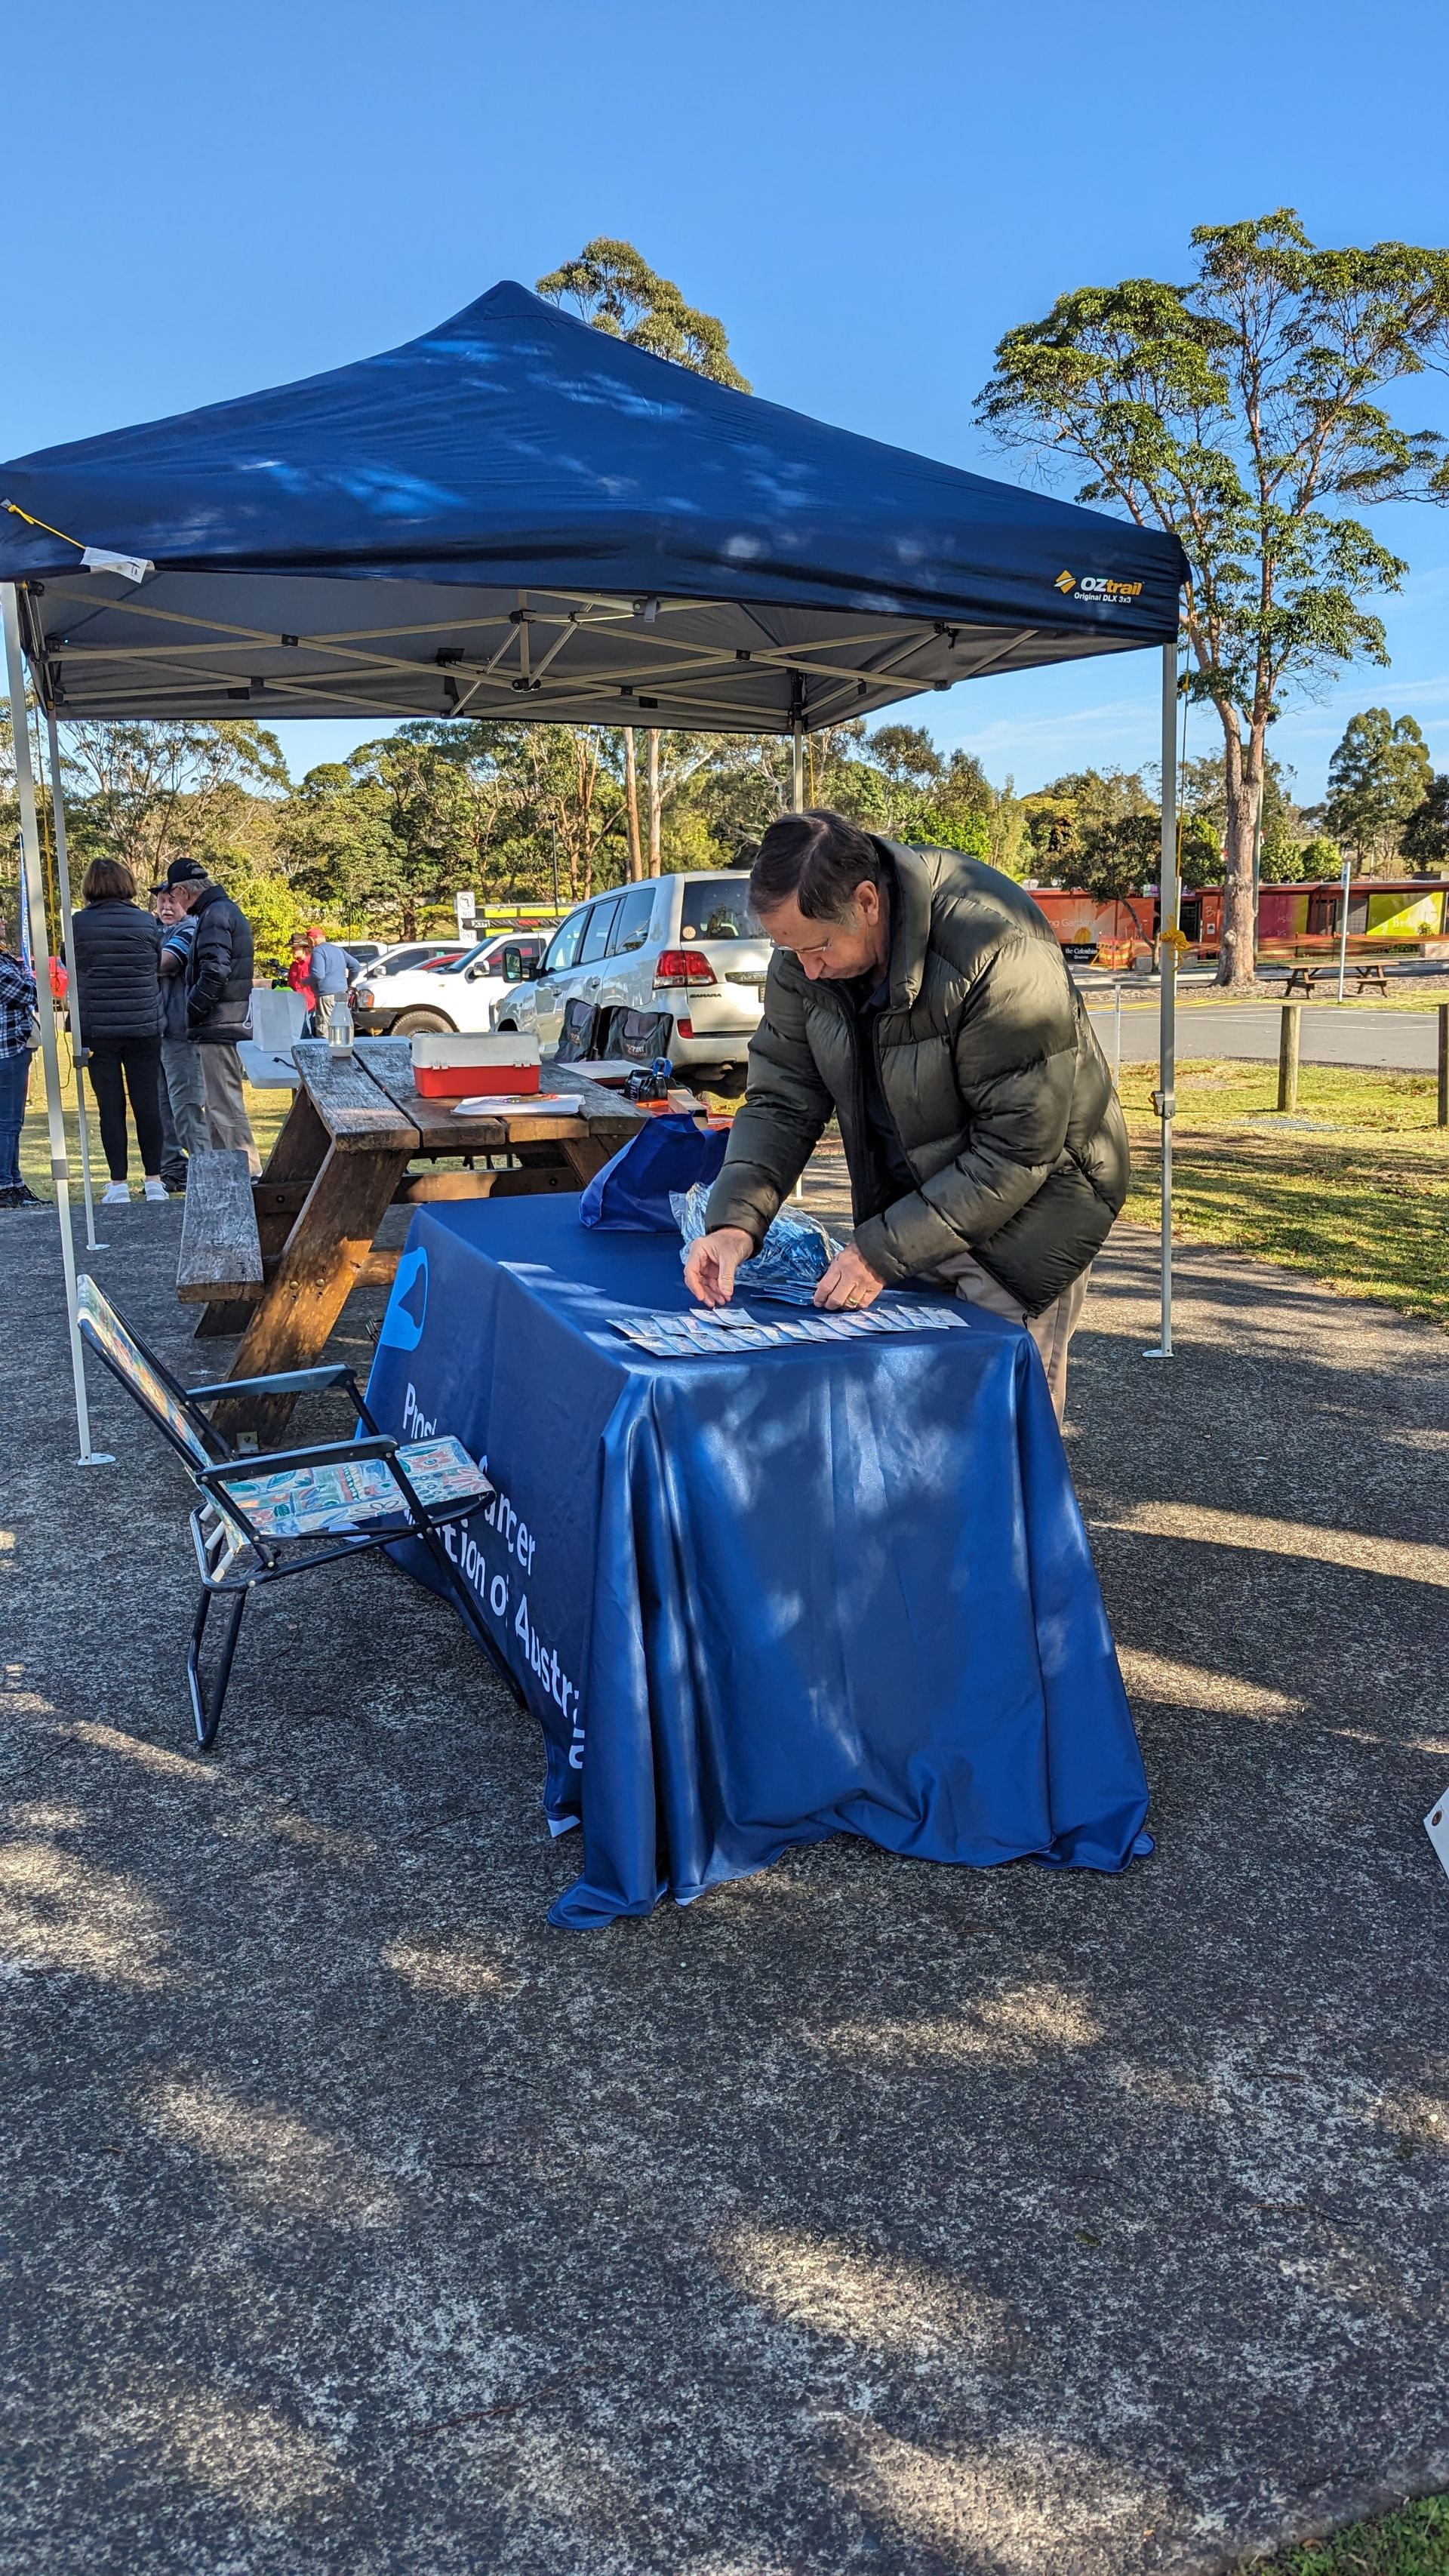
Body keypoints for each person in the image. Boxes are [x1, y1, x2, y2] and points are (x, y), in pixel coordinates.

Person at [685, 810, 1129, 1423]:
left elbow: (1018, 1149)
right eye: (787, 950)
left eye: (816, 947)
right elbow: (782, 1097)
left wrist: (879, 1252)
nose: (804, 968)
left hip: (1029, 1214)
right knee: (916, 1419)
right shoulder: (804, 958)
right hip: (914, 1203)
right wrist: (736, 1222)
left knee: (996, 1427)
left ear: (867, 901)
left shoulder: (998, 947)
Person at [69, 857, 168, 1206]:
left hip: (99, 1028)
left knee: (110, 1106)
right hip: (144, 1025)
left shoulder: (77, 925)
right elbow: (156, 964)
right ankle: (155, 1179)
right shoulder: (146, 922)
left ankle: (118, 1183)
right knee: (147, 1103)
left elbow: (70, 964)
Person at [183, 864, 260, 1174]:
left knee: (226, 1106)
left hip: (219, 1023)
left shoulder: (215, 914)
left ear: (182, 891)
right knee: (216, 1108)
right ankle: (223, 1177)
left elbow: (215, 970)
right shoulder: (220, 910)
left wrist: (193, 1008)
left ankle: (251, 1175)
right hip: (221, 1022)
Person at [152, 863, 208, 1180]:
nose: (165, 907)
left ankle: (205, 1169)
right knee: (162, 1105)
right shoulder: (156, 931)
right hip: (157, 1031)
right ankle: (173, 1168)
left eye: (171, 900)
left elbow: (166, 962)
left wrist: (132, 954)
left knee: (186, 1105)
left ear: (184, 900)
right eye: (160, 901)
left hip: (181, 1031)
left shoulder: (190, 929)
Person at [0, 922, 41, 1208]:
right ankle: (4, 1184)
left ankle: (14, 1182)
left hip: (15, 1047)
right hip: (7, 1050)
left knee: (13, 1122)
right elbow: (29, 991)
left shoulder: (4, 959)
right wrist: (30, 978)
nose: (3, 923)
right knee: (8, 1122)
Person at [306, 926, 353, 1038]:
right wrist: (347, 982)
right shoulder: (339, 950)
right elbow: (355, 966)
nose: (308, 945)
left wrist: (305, 981)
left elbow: (318, 974)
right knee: (340, 1027)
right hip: (342, 994)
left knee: (325, 1028)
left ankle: (325, 1052)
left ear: (312, 939)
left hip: (326, 996)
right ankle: (341, 1052)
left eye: (308, 941)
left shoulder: (318, 951)